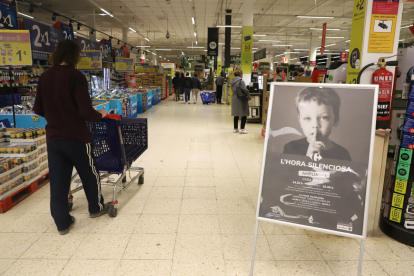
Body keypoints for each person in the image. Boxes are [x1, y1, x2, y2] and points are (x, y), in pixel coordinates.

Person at [33, 40, 109, 235]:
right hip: (77, 137)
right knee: (89, 174)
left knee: (58, 181)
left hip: (54, 138)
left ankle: (62, 223)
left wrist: (56, 114)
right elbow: (85, 110)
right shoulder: (76, 76)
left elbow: (38, 109)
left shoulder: (45, 77)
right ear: (75, 56)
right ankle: (95, 208)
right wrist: (100, 114)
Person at [283, 87, 351, 161]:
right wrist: (308, 158)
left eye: (324, 117)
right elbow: (288, 172)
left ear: (336, 120)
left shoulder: (342, 154)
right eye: (307, 118)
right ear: (300, 120)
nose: (315, 125)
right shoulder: (291, 149)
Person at [231, 70, 249, 134]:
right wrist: (248, 93)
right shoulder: (241, 81)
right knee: (244, 112)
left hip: (234, 97)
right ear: (240, 74)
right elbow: (244, 89)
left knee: (236, 113)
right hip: (241, 98)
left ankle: (235, 128)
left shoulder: (232, 81)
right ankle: (242, 128)